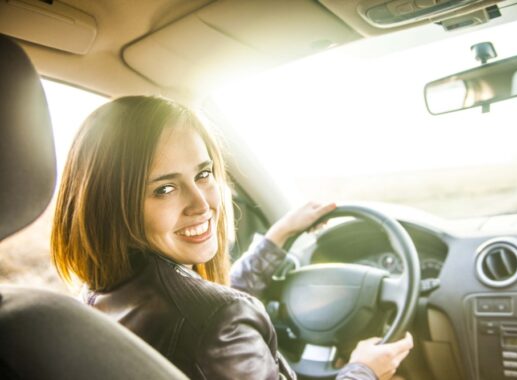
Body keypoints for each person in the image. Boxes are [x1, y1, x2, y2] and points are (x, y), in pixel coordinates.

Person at [51, 96, 413, 380]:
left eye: (204, 173)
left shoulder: (102, 293)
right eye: (164, 189)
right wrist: (363, 370)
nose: (202, 203)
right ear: (110, 204)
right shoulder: (219, 321)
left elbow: (198, 310)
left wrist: (277, 236)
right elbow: (212, 318)